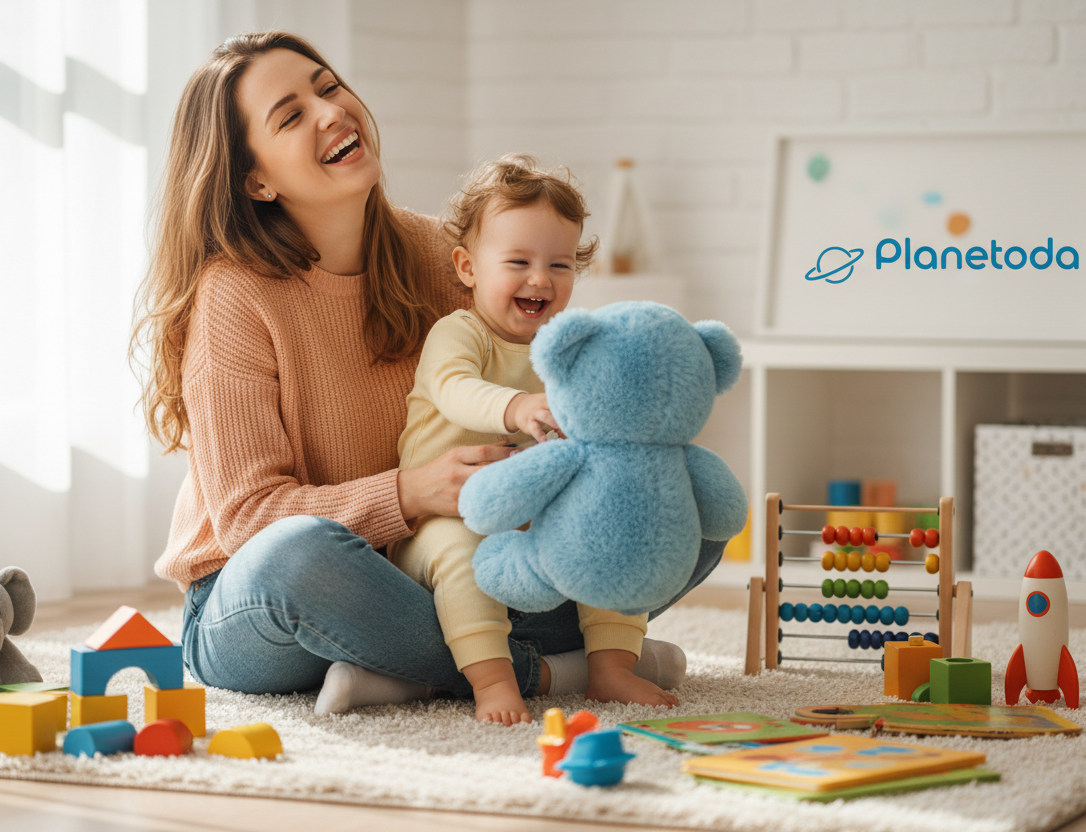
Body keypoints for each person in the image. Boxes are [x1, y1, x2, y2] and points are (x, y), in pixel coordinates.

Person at [132, 31, 726, 715]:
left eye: (328, 86)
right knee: (296, 554)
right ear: (256, 179)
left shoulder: (443, 252)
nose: (331, 111)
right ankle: (547, 671)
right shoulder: (234, 294)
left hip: (435, 571)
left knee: (681, 500)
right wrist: (411, 492)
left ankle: (428, 666)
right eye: (291, 115)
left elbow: (537, 380)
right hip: (261, 599)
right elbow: (246, 523)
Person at [390, 155, 681, 725]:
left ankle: (613, 664)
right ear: (468, 267)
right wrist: (517, 405)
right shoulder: (459, 333)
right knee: (460, 552)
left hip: (532, 522)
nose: (541, 279)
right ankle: (494, 681)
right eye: (518, 261)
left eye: (561, 263)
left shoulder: (570, 345)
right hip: (441, 520)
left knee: (618, 524)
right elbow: (454, 390)